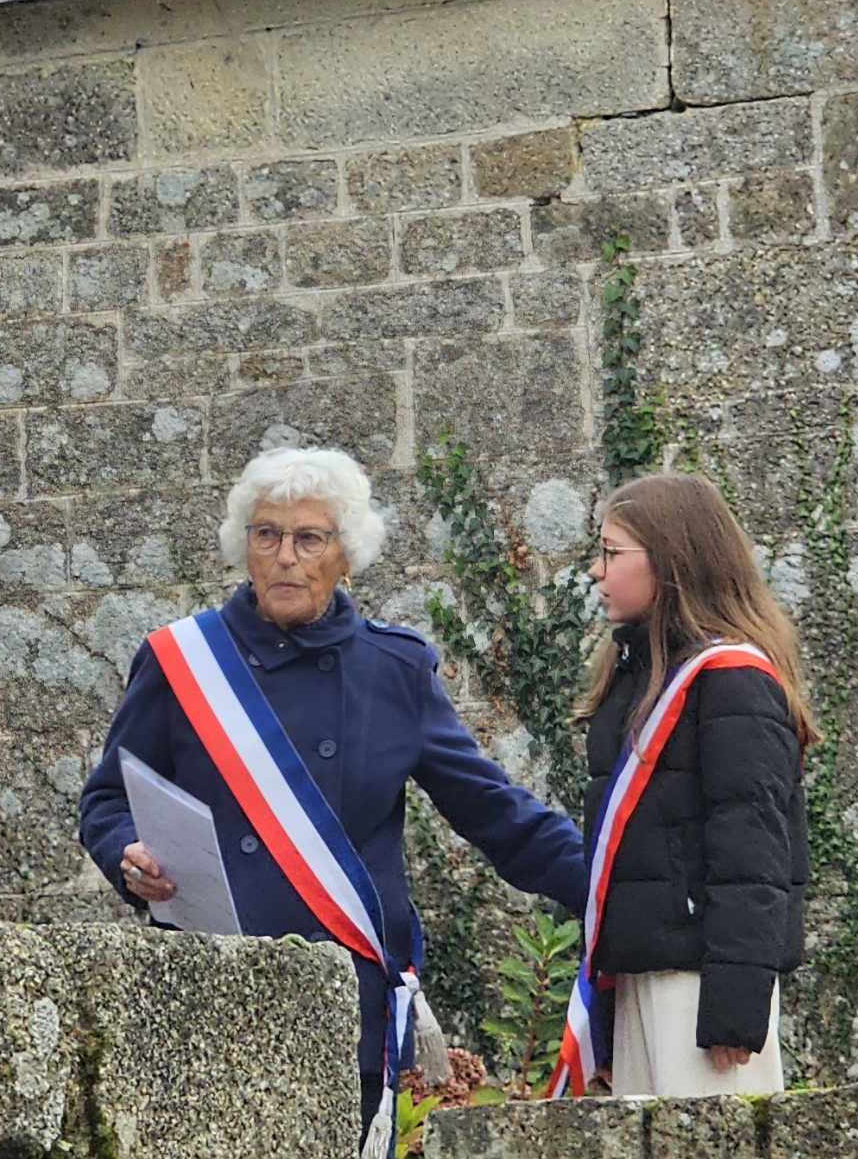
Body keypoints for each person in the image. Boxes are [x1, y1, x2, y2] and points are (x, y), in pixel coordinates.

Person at [79, 447, 586, 1150]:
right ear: (243, 548)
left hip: (346, 998)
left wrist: (614, 886)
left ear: (344, 555)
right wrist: (124, 853)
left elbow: (497, 815)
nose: (285, 555)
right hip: (208, 986)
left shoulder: (395, 669)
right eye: (266, 535)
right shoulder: (179, 662)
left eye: (308, 538)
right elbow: (107, 801)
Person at [550, 473, 811, 1099]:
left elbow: (754, 853)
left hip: (700, 989)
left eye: (612, 553)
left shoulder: (733, 680)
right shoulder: (636, 672)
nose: (595, 571)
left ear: (669, 561)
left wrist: (735, 1004)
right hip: (644, 974)